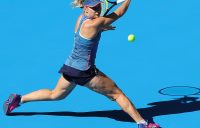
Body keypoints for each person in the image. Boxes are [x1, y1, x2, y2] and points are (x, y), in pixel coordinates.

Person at [3, 0, 160, 128]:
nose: (98, 12)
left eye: (98, 8)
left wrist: (101, 29)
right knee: (117, 94)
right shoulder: (94, 23)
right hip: (84, 71)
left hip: (70, 67)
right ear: (86, 8)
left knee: (55, 95)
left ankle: (19, 99)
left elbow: (87, 34)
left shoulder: (81, 19)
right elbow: (119, 12)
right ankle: (143, 123)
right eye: (94, 9)